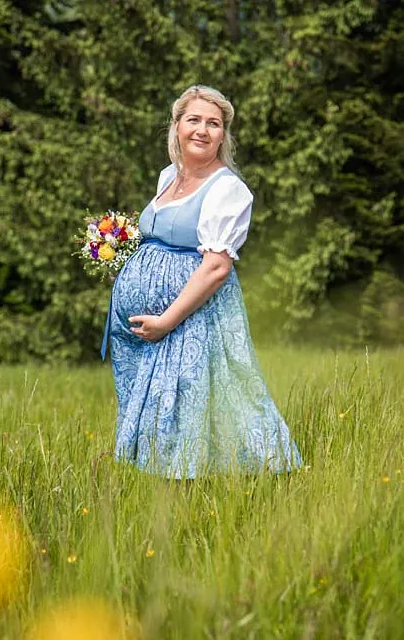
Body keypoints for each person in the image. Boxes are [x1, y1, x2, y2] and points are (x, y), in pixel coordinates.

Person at [102, 85, 302, 479]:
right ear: (176, 127)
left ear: (223, 136)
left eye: (213, 124)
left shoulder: (228, 189)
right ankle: (162, 488)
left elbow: (215, 267)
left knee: (189, 399)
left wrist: (166, 321)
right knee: (154, 404)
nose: (202, 130)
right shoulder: (167, 178)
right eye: (193, 120)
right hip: (145, 324)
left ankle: (212, 484)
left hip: (190, 314)